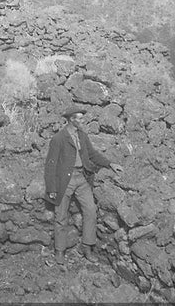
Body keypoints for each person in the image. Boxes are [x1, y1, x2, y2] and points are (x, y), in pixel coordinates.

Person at [44, 106, 123, 263]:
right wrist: (51, 189)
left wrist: (110, 164)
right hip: (64, 181)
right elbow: (50, 165)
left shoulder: (82, 136)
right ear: (71, 120)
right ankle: (60, 251)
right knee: (61, 216)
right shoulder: (59, 138)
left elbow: (92, 154)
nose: (82, 121)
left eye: (82, 118)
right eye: (79, 118)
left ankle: (86, 246)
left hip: (82, 178)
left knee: (91, 211)